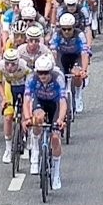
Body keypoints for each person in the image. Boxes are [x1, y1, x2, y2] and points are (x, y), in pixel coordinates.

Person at [23, 54, 68, 187]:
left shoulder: (58, 78)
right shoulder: (31, 78)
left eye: (46, 73)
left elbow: (63, 102)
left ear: (51, 71)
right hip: (40, 102)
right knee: (37, 119)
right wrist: (27, 118)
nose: (43, 76)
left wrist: (60, 120)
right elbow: (27, 100)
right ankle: (35, 149)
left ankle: (56, 174)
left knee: (55, 138)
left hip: (55, 104)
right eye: (40, 73)